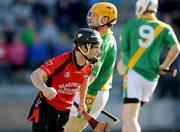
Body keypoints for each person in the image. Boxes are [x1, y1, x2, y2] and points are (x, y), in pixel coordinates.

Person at [116, 0, 180, 132]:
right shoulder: (164, 27)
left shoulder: (131, 25)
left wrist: (121, 67)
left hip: (134, 75)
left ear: (140, 7)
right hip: (152, 78)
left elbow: (124, 55)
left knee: (130, 118)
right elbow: (176, 47)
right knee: (129, 116)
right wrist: (165, 65)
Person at [27, 28, 103, 132]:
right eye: (96, 47)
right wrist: (44, 89)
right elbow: (35, 75)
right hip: (46, 107)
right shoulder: (62, 61)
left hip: (65, 110)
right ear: (84, 47)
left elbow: (84, 80)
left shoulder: (89, 65)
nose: (98, 51)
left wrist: (82, 101)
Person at [65, 2, 118, 131]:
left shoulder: (103, 43)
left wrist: (74, 90)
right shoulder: (99, 38)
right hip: (88, 91)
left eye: (95, 16)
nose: (91, 18)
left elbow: (91, 75)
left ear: (105, 19)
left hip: (91, 93)